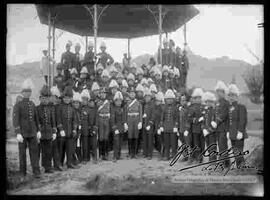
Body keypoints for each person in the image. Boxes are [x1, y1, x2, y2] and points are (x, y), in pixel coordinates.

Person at [13, 78, 41, 178]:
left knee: (34, 152)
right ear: (22, 92)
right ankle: (22, 172)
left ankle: (36, 171)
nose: (28, 93)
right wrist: (18, 133)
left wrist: (38, 130)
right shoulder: (18, 105)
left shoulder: (32, 104)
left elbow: (36, 118)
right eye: (26, 92)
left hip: (32, 132)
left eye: (29, 91)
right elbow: (15, 119)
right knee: (22, 154)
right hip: (23, 133)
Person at [36, 85, 57, 173]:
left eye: (47, 98)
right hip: (40, 133)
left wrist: (54, 131)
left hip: (48, 132)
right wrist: (37, 131)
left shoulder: (51, 109)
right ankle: (37, 167)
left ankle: (47, 167)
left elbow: (53, 121)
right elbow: (36, 121)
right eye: (43, 98)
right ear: (40, 98)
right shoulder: (36, 108)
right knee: (38, 151)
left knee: (48, 151)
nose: (45, 100)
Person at [227, 84, 248, 168]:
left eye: (233, 95)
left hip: (239, 133)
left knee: (239, 152)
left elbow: (243, 120)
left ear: (236, 96)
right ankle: (239, 167)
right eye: (229, 95)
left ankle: (242, 168)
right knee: (235, 152)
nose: (231, 97)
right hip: (232, 134)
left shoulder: (241, 107)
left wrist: (240, 131)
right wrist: (228, 131)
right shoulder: (229, 107)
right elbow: (229, 121)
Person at [57, 86, 78, 169]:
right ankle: (60, 164)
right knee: (61, 149)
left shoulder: (72, 109)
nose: (67, 99)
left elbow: (74, 120)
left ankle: (69, 163)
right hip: (62, 133)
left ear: (71, 99)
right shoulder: (60, 108)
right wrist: (61, 130)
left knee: (69, 149)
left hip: (69, 132)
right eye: (65, 98)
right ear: (63, 98)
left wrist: (74, 130)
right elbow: (58, 120)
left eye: (68, 98)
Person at [214, 81, 230, 167]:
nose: (218, 93)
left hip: (223, 128)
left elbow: (223, 115)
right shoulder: (217, 102)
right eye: (217, 91)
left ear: (223, 92)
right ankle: (226, 162)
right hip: (218, 128)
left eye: (219, 91)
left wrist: (216, 122)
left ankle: (222, 162)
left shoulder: (225, 102)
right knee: (220, 145)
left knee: (223, 145)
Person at [187, 88, 205, 164]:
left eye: (200, 98)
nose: (198, 99)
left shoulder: (204, 107)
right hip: (195, 129)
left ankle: (201, 157)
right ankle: (196, 157)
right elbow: (189, 118)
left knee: (202, 144)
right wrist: (197, 120)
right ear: (195, 98)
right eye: (197, 98)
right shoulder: (192, 107)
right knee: (196, 144)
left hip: (203, 129)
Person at [160, 89, 178, 161]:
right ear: (166, 99)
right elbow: (162, 117)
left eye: (170, 99)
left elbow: (177, 118)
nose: (169, 100)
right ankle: (166, 155)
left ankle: (174, 155)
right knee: (166, 143)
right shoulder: (164, 107)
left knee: (173, 143)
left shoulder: (175, 108)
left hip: (173, 127)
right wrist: (161, 125)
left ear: (173, 99)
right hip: (166, 127)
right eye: (168, 99)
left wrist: (176, 126)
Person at [125, 87, 142, 158]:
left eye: (133, 93)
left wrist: (140, 122)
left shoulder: (138, 103)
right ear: (129, 94)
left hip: (136, 120)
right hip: (129, 120)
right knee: (130, 136)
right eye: (131, 93)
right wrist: (125, 122)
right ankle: (130, 152)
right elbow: (125, 113)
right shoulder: (127, 103)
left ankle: (135, 153)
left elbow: (140, 112)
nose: (132, 94)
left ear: (135, 94)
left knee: (136, 136)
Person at [49, 86, 63, 171]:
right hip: (49, 131)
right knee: (49, 149)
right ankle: (49, 166)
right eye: (53, 97)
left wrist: (60, 129)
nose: (54, 99)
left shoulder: (58, 107)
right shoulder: (48, 106)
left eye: (56, 97)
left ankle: (57, 165)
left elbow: (59, 119)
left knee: (57, 149)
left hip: (57, 130)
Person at [201, 91, 218, 162]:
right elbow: (203, 121)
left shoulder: (214, 111)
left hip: (212, 132)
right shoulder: (205, 111)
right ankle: (210, 158)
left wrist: (209, 130)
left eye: (210, 102)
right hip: (206, 131)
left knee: (212, 146)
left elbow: (215, 123)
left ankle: (213, 159)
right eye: (207, 101)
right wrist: (204, 129)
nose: (208, 103)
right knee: (208, 145)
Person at [95, 88, 111, 160]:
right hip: (100, 119)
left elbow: (110, 111)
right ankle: (101, 154)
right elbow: (96, 113)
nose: (103, 94)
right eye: (102, 93)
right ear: (100, 94)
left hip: (107, 120)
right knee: (101, 137)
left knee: (106, 137)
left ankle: (106, 153)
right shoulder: (97, 102)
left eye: (104, 93)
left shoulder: (109, 102)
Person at [110, 91, 125, 162]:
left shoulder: (122, 109)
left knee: (120, 143)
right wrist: (114, 128)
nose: (119, 102)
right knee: (116, 143)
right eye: (117, 101)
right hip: (116, 128)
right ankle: (115, 156)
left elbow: (124, 118)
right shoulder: (113, 109)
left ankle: (118, 155)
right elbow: (112, 120)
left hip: (121, 128)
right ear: (115, 101)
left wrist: (124, 126)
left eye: (120, 101)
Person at [142, 88, 155, 159]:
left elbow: (153, 116)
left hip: (150, 125)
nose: (147, 98)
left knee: (150, 140)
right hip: (144, 124)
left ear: (150, 97)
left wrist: (150, 124)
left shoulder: (152, 105)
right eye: (146, 97)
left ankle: (150, 154)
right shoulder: (145, 105)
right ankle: (145, 153)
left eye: (148, 97)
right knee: (145, 140)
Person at [177, 94, 190, 162]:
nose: (183, 101)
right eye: (182, 100)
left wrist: (187, 129)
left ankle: (190, 157)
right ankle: (185, 156)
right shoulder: (179, 108)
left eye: (184, 100)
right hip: (180, 128)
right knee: (183, 143)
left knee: (188, 143)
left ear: (186, 101)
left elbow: (188, 119)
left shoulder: (188, 108)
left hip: (186, 129)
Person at [151, 92, 164, 159]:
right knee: (157, 140)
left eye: (158, 101)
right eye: (156, 101)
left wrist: (160, 126)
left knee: (160, 141)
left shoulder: (162, 108)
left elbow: (162, 118)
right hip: (155, 126)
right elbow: (154, 116)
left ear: (161, 101)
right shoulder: (155, 107)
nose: (157, 102)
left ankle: (161, 153)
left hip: (160, 127)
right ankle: (160, 152)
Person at [72, 92, 82, 165]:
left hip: (79, 130)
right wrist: (75, 130)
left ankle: (78, 158)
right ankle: (74, 159)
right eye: (75, 103)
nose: (76, 104)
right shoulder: (72, 111)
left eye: (77, 103)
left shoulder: (79, 111)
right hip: (74, 130)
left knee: (78, 145)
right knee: (73, 146)